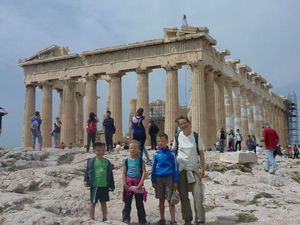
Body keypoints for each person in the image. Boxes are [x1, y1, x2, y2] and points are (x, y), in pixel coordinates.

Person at [172, 116, 205, 225]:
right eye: (180, 124)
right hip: (181, 170)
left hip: (193, 169)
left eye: (184, 123)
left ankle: (200, 220)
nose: (183, 125)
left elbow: (201, 152)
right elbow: (174, 151)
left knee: (198, 194)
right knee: (183, 196)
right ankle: (187, 220)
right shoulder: (177, 136)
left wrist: (203, 168)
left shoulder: (196, 135)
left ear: (188, 122)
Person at [151, 133, 179, 225]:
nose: (160, 143)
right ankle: (162, 219)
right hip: (158, 179)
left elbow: (175, 167)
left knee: (170, 200)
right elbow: (153, 168)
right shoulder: (156, 154)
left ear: (167, 141)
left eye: (162, 141)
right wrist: (153, 180)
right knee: (161, 200)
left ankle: (173, 219)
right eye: (158, 141)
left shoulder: (171, 154)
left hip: (169, 178)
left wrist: (175, 181)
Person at [84, 142, 115, 221]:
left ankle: (104, 218)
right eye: (98, 150)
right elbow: (87, 171)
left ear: (104, 151)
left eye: (102, 150)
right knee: (93, 202)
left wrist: (112, 185)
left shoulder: (107, 162)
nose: (100, 152)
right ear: (94, 151)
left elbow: (110, 174)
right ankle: (91, 218)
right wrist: (86, 180)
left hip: (104, 185)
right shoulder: (91, 161)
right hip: (95, 185)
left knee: (103, 203)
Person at [122, 140, 147, 225]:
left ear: (138, 150)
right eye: (131, 148)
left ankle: (142, 220)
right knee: (127, 203)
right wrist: (124, 183)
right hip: (128, 184)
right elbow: (124, 173)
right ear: (128, 149)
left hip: (138, 183)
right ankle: (126, 219)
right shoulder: (126, 161)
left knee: (139, 203)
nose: (132, 150)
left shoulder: (140, 160)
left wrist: (140, 183)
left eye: (134, 148)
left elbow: (144, 172)